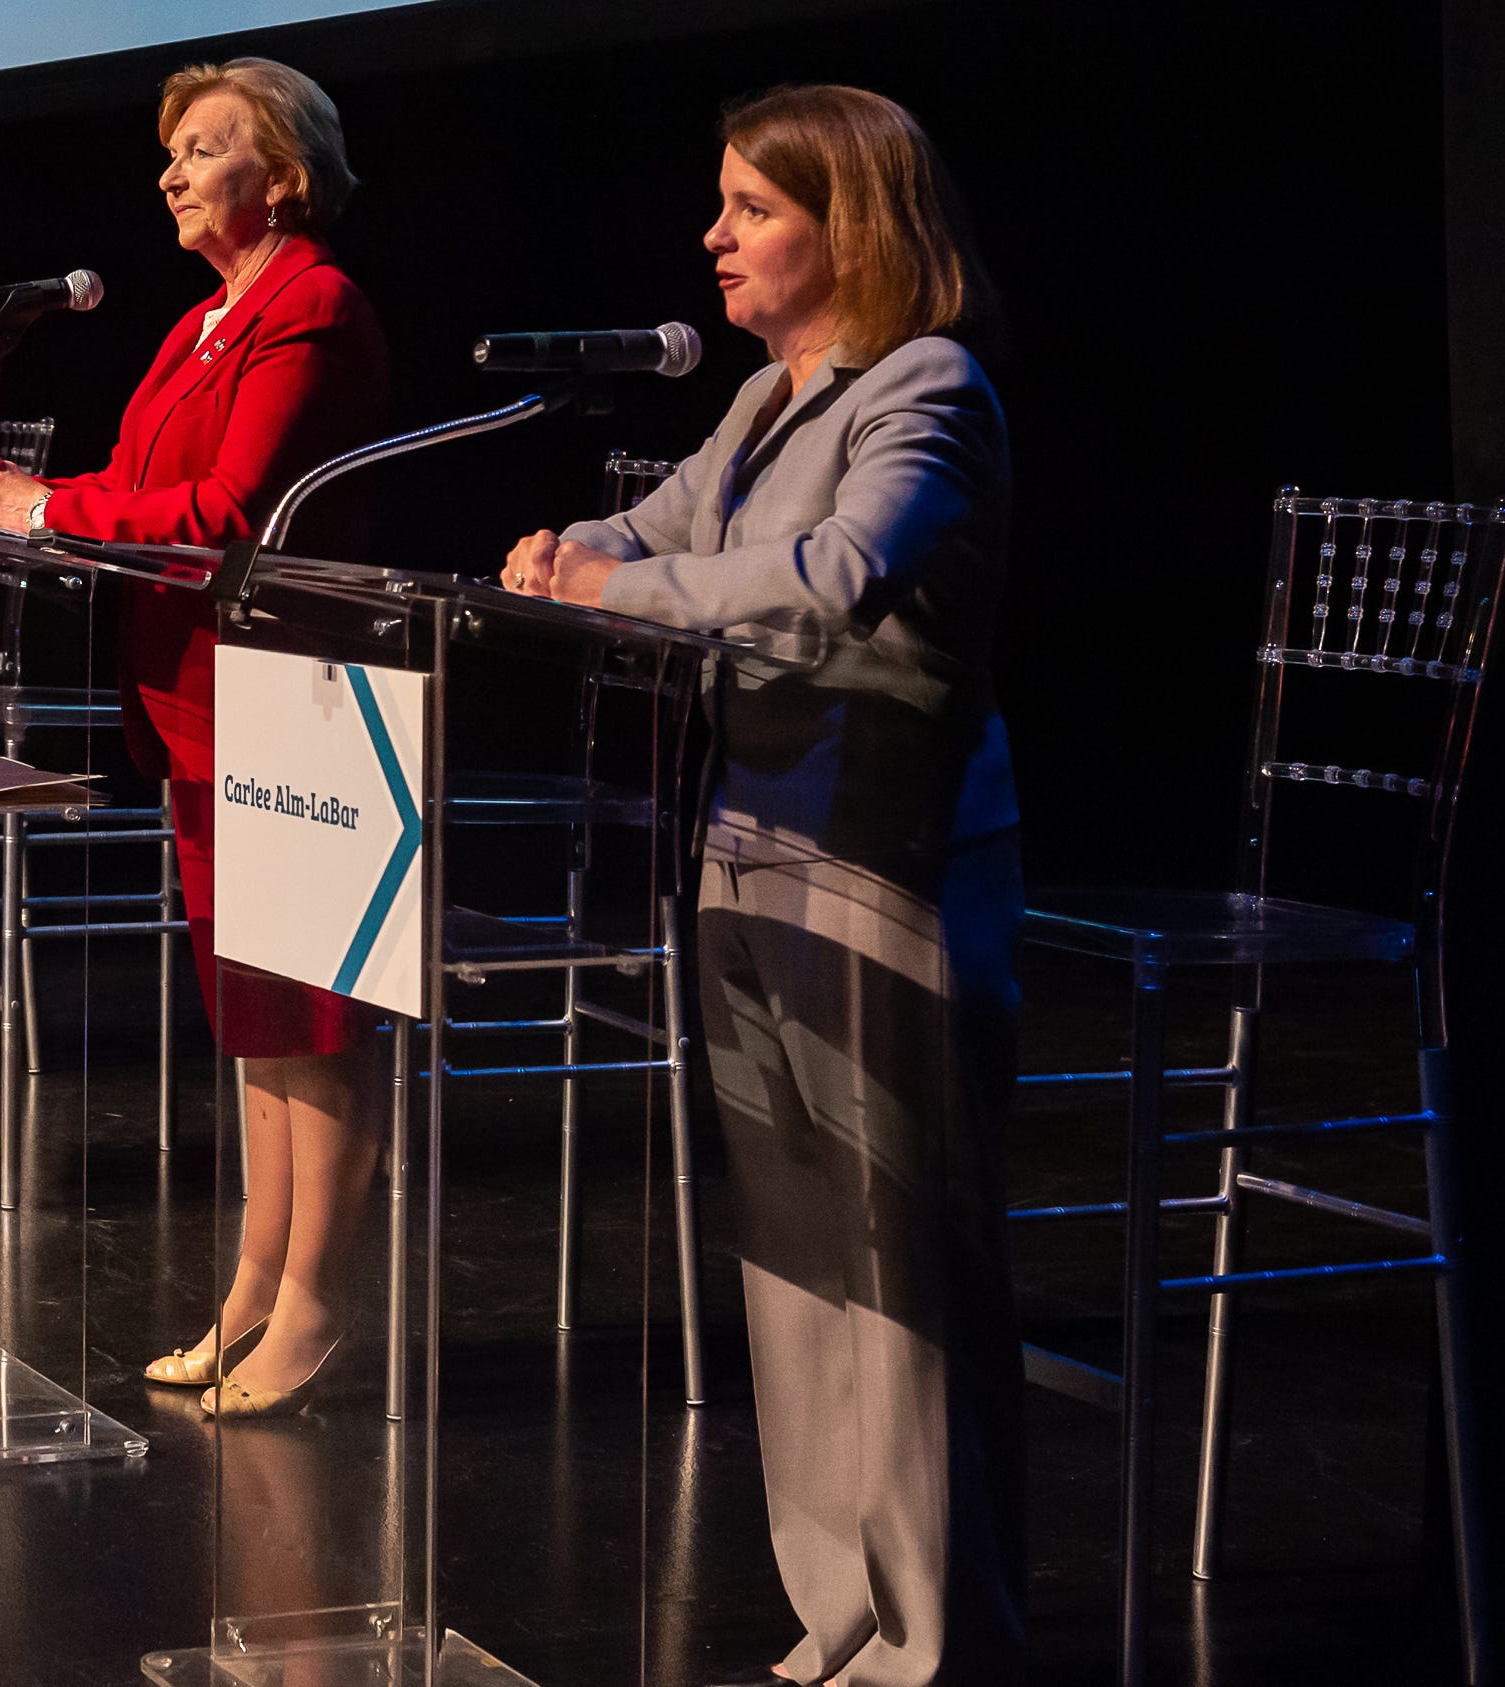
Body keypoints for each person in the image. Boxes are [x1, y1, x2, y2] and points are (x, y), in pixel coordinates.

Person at [499, 84, 1024, 1687]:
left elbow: (832, 575)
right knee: (797, 1249)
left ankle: (932, 1639)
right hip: (745, 838)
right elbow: (652, 526)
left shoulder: (922, 387)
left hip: (884, 849)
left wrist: (624, 581)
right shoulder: (761, 395)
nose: (710, 236)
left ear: (845, 225)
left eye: (749, 209)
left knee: (893, 1248)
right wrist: (557, 551)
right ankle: (839, 1618)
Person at [0, 58, 387, 1414]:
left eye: (203, 148)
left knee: (308, 1021)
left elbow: (226, 511)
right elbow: (134, 487)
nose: (171, 171)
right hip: (202, 702)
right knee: (248, 1015)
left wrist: (46, 512)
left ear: (284, 172)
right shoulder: (201, 319)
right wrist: (16, 496)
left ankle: (315, 1302)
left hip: (292, 695)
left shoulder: (307, 305)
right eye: (171, 152)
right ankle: (251, 1286)